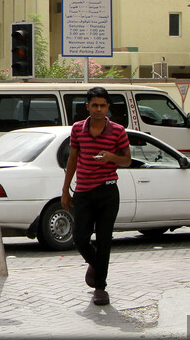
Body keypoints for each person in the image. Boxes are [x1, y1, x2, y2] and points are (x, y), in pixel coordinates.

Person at [61, 86, 131, 307]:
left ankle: (100, 287)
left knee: (104, 239)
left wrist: (112, 156)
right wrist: (65, 190)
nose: (99, 109)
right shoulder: (78, 129)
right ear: (87, 107)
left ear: (108, 107)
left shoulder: (118, 131)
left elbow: (128, 160)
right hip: (83, 191)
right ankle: (96, 264)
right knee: (80, 238)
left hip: (107, 190)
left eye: (102, 105)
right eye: (95, 105)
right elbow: (72, 159)